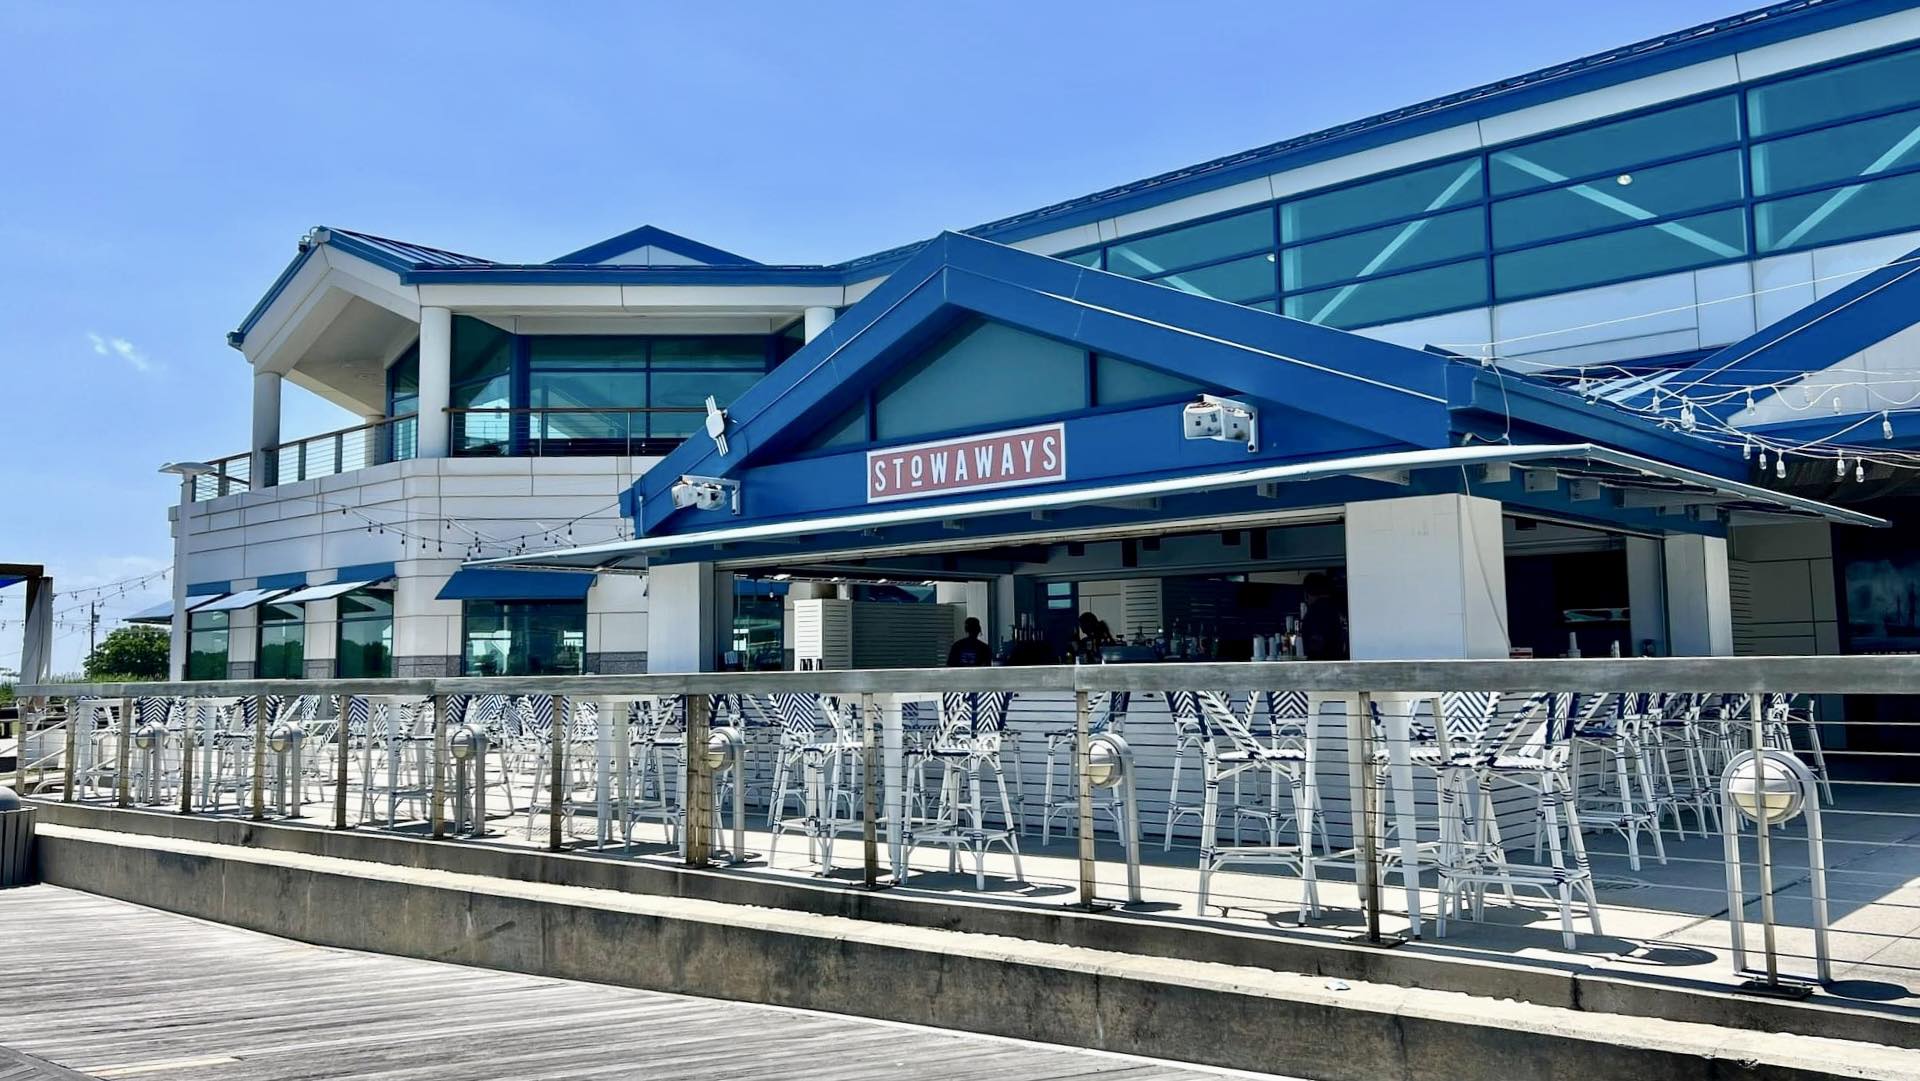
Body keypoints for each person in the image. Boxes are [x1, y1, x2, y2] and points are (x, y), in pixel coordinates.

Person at [1299, 573, 1349, 661]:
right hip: (1342, 663)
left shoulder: (1314, 613)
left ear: (1307, 594)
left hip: (1322, 667)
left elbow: (1315, 646)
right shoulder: (1342, 608)